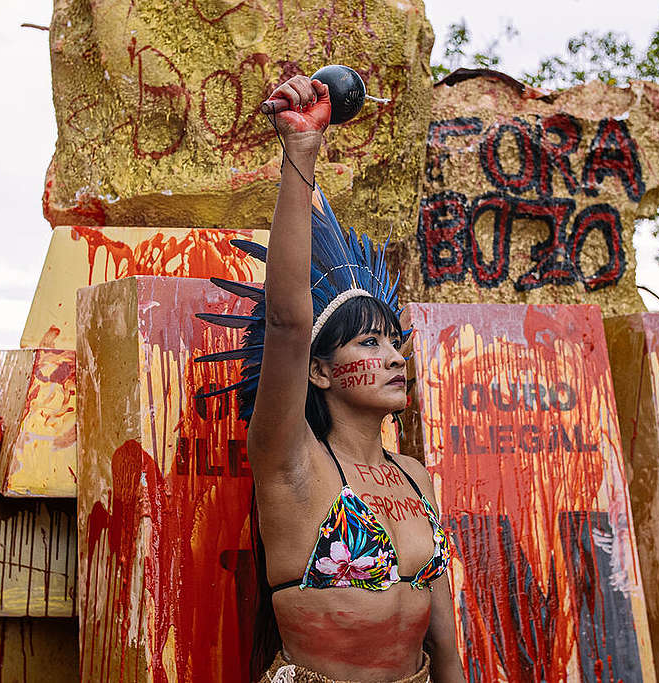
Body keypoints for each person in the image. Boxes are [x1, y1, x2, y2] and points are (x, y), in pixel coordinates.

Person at [199, 75, 465, 682]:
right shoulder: (289, 462)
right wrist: (301, 149)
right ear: (319, 371)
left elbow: (444, 645)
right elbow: (291, 323)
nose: (396, 357)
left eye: (396, 342)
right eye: (369, 342)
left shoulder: (414, 476)